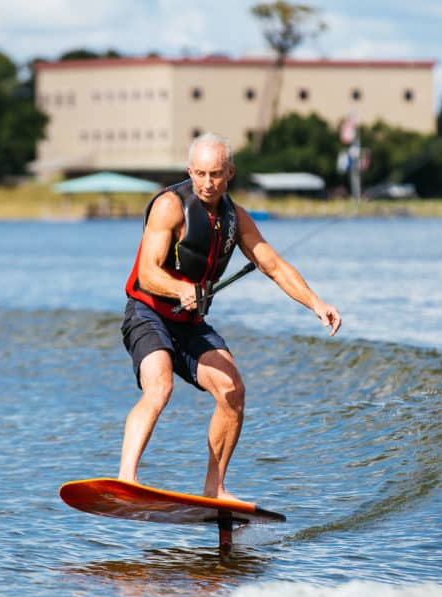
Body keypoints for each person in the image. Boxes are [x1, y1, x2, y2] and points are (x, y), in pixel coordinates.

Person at [120, 132, 341, 501]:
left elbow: (272, 265)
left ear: (230, 174)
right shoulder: (170, 207)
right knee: (159, 386)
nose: (207, 183)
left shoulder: (235, 218)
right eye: (201, 174)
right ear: (190, 171)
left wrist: (316, 303)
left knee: (232, 391)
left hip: (191, 325)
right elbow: (147, 273)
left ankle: (215, 488)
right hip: (149, 314)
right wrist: (180, 288)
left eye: (216, 174)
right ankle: (126, 478)